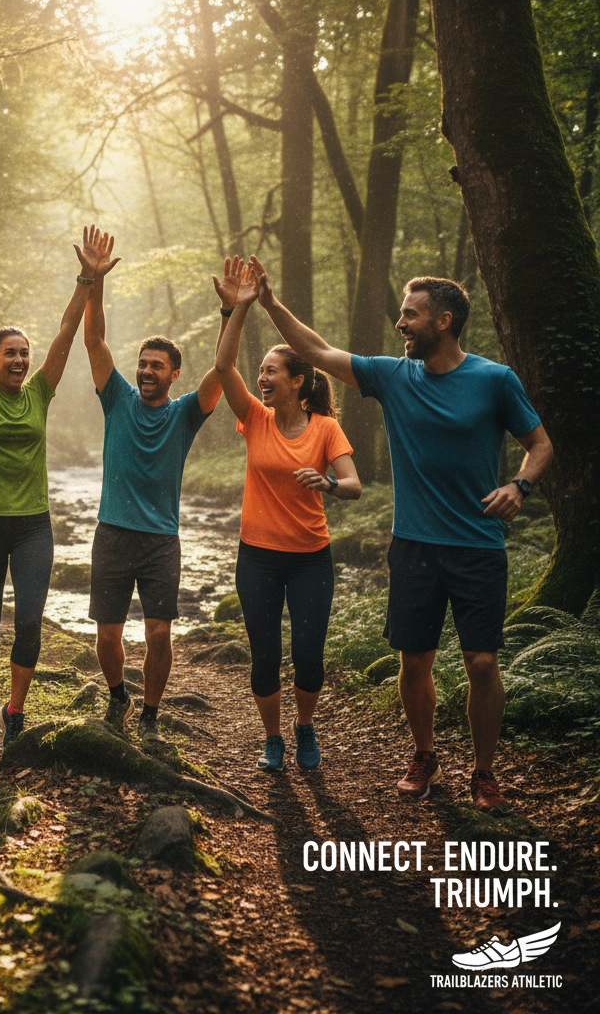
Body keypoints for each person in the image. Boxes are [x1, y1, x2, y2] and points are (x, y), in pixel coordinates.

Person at [248, 259, 553, 811]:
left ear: (444, 319)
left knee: (482, 663)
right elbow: (316, 352)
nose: (400, 324)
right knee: (415, 663)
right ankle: (424, 755)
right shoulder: (393, 375)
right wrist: (269, 303)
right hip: (413, 545)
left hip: (479, 545)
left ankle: (484, 773)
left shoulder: (494, 380)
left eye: (410, 315)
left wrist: (520, 486)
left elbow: (541, 445)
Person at [0, 225, 116, 748]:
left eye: (25, 353)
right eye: (11, 353)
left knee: (28, 623)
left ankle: (14, 708)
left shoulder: (41, 392)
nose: (21, 359)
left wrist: (87, 280)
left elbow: (68, 330)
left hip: (31, 526)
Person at [213, 257, 361, 772]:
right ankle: (273, 738)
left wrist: (327, 483)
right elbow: (224, 367)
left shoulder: (325, 429)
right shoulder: (255, 417)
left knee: (309, 655)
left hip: (309, 559)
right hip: (256, 557)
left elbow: (354, 485)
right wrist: (238, 309)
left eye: (271, 372)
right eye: (262, 373)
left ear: (298, 381)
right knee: (264, 655)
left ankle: (304, 727)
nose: (262, 378)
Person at [83, 245, 224, 742]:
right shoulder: (117, 398)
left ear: (173, 373)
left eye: (156, 366)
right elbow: (94, 339)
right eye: (142, 363)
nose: (146, 371)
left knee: (159, 632)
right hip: (112, 534)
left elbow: (223, 371)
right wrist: (95, 279)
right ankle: (118, 692)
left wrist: (232, 311)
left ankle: (149, 712)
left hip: (161, 539)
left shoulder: (186, 413)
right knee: (106, 635)